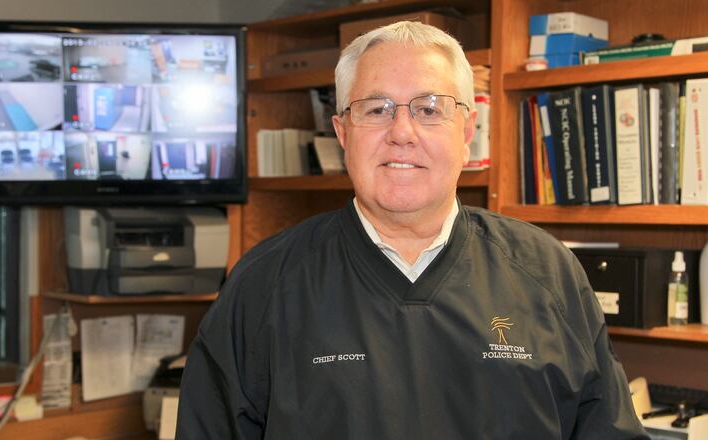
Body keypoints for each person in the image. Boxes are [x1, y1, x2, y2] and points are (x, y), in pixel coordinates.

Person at [177, 21, 648, 439]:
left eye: (429, 108)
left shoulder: (548, 273)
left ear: (467, 131)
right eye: (376, 108)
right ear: (342, 133)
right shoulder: (262, 284)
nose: (402, 131)